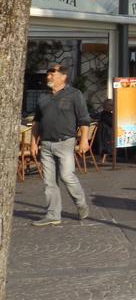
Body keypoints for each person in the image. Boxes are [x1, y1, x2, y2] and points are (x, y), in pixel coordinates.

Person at [31, 63, 91, 226]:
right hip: (46, 144)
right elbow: (37, 121)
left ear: (63, 76)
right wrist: (33, 142)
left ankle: (81, 204)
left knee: (66, 176)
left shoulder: (74, 94)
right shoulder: (43, 97)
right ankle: (53, 215)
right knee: (49, 182)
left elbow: (84, 119)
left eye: (52, 73)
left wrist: (84, 139)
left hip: (65, 142)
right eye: (48, 73)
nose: (48, 75)